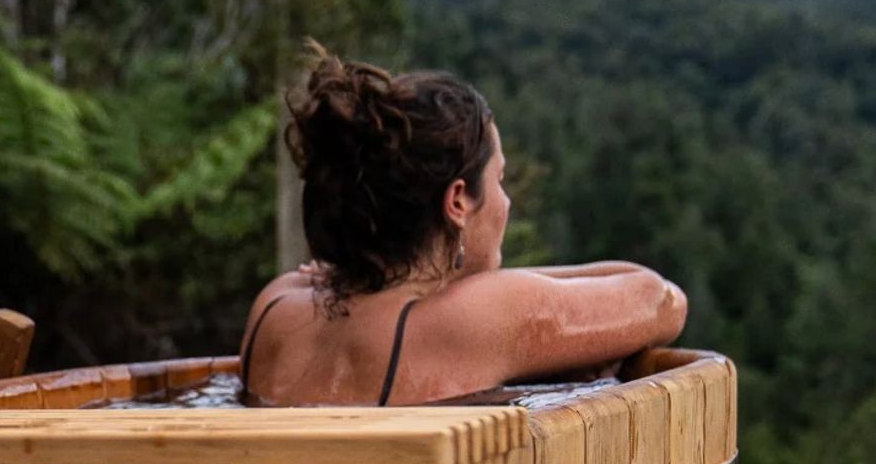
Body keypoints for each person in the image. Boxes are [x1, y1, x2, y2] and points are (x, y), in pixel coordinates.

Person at [238, 49, 688, 406]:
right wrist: (496, 286)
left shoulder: (276, 305)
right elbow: (660, 298)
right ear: (457, 201)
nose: (506, 202)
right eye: (499, 181)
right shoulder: (470, 321)